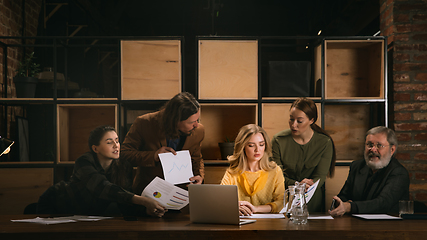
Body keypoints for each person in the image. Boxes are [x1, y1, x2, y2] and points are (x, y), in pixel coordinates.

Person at [36, 125, 167, 217]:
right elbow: (102, 188)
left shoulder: (123, 166)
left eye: (117, 141)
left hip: (87, 214)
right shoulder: (83, 161)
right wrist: (143, 201)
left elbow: (123, 200)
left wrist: (146, 211)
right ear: (95, 148)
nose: (116, 146)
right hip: (56, 204)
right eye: (109, 142)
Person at [121, 92, 204, 195]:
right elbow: (125, 153)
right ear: (175, 120)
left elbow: (197, 159)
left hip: (182, 193)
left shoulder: (199, 130)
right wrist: (154, 156)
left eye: (197, 120)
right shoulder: (144, 123)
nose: (196, 125)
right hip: (149, 193)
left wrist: (199, 176)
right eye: (191, 122)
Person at [271, 97, 336, 213]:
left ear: (311, 120)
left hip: (312, 199)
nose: (293, 125)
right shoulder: (278, 140)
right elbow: (276, 176)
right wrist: (296, 185)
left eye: (299, 121)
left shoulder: (324, 142)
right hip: (285, 198)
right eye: (291, 119)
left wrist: (304, 188)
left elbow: (320, 176)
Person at [329, 126, 410, 216]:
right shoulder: (357, 166)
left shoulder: (399, 173)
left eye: (379, 145)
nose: (373, 149)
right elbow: (343, 196)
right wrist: (339, 203)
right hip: (356, 223)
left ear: (392, 150)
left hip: (386, 226)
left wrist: (350, 207)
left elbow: (383, 203)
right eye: (369, 145)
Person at [220, 124, 285, 216]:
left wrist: (255, 209)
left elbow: (281, 203)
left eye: (261, 144)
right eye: (251, 145)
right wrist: (233, 207)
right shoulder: (232, 172)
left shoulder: (275, 171)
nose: (257, 150)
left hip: (269, 225)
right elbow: (221, 200)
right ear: (243, 147)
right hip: (240, 224)